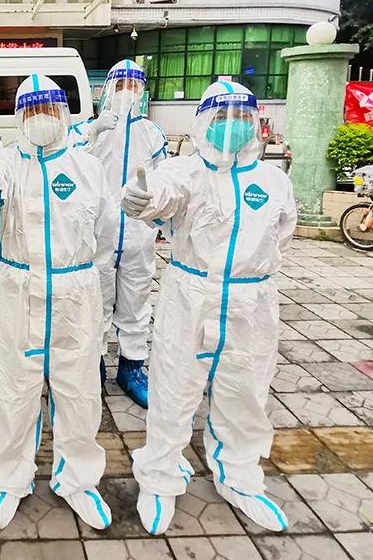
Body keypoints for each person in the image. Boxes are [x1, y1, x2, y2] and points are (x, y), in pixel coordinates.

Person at [120, 81, 296, 534]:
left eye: (241, 117)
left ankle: (239, 476)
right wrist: (142, 198)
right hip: (190, 294)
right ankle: (159, 477)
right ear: (203, 123)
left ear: (255, 123)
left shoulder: (274, 181)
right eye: (221, 117)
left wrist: (248, 276)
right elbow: (161, 193)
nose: (231, 126)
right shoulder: (186, 171)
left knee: (245, 393)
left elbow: (281, 237)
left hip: (251, 300)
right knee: (173, 388)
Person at [0, 74, 117, 531]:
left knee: (79, 392)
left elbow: (106, 235)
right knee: (12, 389)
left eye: (48, 109)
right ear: (19, 117)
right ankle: (9, 477)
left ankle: (79, 479)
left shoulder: (87, 167)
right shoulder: (5, 162)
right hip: (17, 291)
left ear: (63, 114)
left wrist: (94, 295)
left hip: (76, 294)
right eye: (31, 111)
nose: (40, 118)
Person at [85, 60, 168, 408]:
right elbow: (71, 166)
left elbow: (166, 180)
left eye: (133, 85)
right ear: (107, 89)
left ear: (142, 91)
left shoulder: (152, 133)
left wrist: (158, 213)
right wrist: (92, 134)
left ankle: (131, 368)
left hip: (138, 234)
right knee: (96, 304)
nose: (126, 92)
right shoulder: (91, 129)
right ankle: (92, 366)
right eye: (119, 85)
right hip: (99, 234)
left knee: (135, 304)